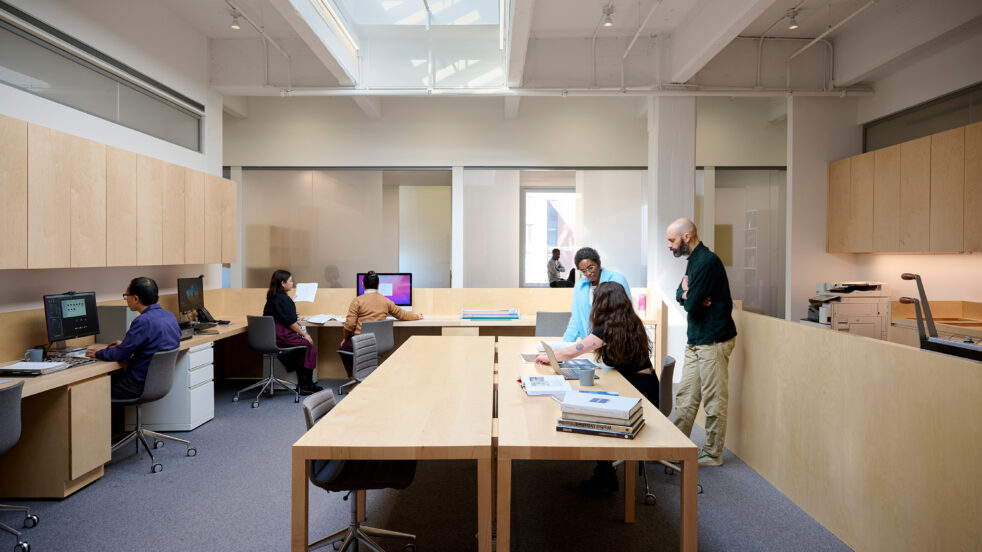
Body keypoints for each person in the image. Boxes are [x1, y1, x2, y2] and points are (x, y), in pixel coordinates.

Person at [537, 281, 657, 495]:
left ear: (602, 303)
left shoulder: (607, 329)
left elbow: (570, 352)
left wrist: (545, 357)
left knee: (592, 411)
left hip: (639, 392)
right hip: (643, 384)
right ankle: (604, 469)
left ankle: (604, 473)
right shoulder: (630, 322)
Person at [665, 217, 737, 467]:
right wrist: (688, 294)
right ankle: (676, 446)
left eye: (671, 240)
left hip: (714, 339)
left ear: (687, 237)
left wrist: (690, 296)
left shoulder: (707, 261)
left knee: (713, 398)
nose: (669, 245)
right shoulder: (693, 261)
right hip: (696, 338)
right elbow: (681, 295)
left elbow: (693, 304)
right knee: (686, 395)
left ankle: (713, 452)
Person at [85, 277, 181, 400]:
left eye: (127, 295)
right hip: (158, 384)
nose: (126, 299)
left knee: (92, 389)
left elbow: (121, 356)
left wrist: (99, 353)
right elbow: (154, 345)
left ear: (136, 299)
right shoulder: (170, 316)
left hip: (137, 385)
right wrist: (126, 344)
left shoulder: (143, 321)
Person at [338, 270, 423, 377]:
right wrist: (417, 316)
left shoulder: (357, 301)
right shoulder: (386, 301)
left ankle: (354, 379)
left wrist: (345, 338)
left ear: (363, 285)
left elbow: (349, 325)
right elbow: (402, 315)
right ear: (378, 285)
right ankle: (366, 376)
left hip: (362, 343)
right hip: (380, 343)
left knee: (344, 348)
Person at [263, 270, 322, 395]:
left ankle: (303, 384)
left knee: (302, 348)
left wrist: (291, 302)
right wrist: (305, 334)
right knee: (309, 346)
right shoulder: (284, 299)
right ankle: (307, 384)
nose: (292, 283)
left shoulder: (273, 297)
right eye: (290, 281)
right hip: (280, 335)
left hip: (271, 335)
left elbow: (282, 314)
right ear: (283, 283)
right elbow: (291, 323)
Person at [562, 247, 631, 342]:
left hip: (615, 340)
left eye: (591, 268)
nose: (588, 273)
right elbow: (576, 318)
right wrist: (565, 343)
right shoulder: (580, 286)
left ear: (598, 263)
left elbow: (626, 313)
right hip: (591, 342)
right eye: (584, 271)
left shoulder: (617, 279)